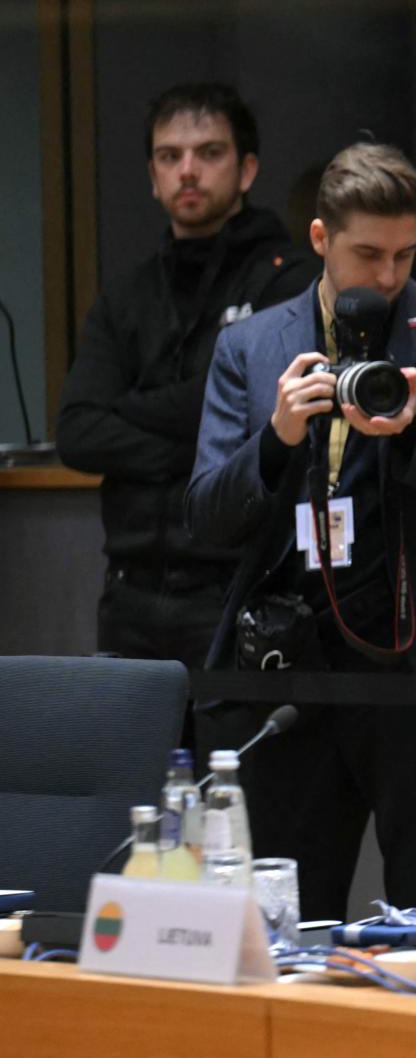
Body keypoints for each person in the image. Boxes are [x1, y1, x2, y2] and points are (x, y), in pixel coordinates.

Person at [186, 142, 416, 919]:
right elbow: (207, 516)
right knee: (286, 915)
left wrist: (414, 434)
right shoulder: (250, 346)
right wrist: (275, 438)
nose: (387, 276)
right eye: (367, 253)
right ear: (319, 240)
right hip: (290, 666)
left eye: (405, 254)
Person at [56, 83, 316, 718]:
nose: (188, 170)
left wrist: (137, 406)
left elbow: (257, 412)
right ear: (152, 176)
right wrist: (209, 431)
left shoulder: (288, 278)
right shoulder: (129, 294)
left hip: (237, 588)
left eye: (209, 152)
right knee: (132, 798)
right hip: (131, 592)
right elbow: (79, 432)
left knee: (234, 804)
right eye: (169, 157)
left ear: (247, 168)